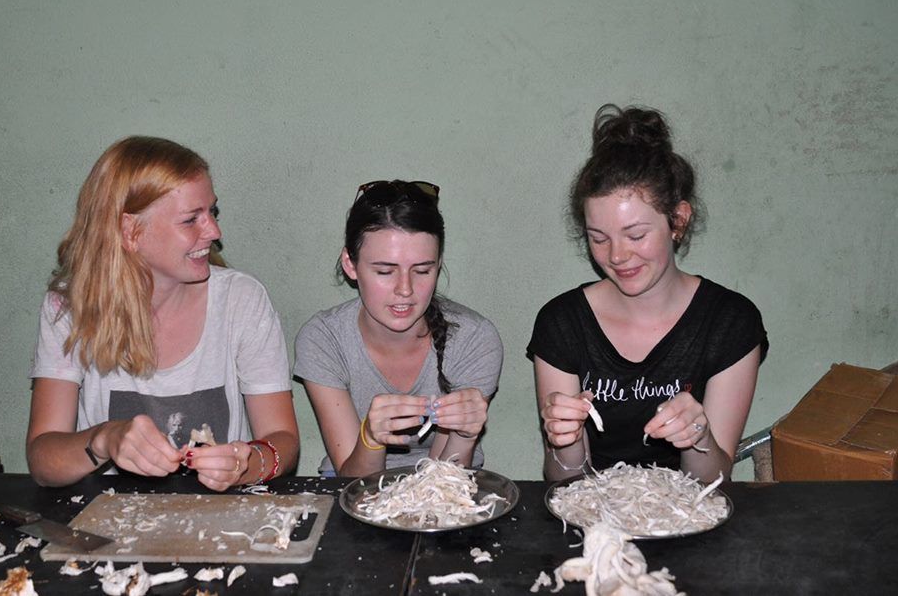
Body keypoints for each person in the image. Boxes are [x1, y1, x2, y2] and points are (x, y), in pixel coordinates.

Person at [26, 136, 299, 490]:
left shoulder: (240, 299)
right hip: (112, 521)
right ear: (130, 231)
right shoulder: (69, 309)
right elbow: (43, 461)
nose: (214, 232)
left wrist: (247, 463)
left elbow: (283, 440)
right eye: (191, 220)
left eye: (212, 212)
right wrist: (105, 439)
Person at [529, 105, 768, 483]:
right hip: (595, 524)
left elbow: (712, 482)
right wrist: (565, 440)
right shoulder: (562, 323)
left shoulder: (730, 321)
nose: (618, 256)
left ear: (679, 220)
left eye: (636, 235)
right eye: (598, 238)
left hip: (690, 519)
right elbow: (564, 483)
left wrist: (698, 437)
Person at [294, 180, 503, 477]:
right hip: (353, 484)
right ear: (350, 265)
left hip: (446, 482)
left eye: (422, 270)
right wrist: (371, 439)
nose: (405, 289)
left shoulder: (473, 338)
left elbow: (444, 483)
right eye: (384, 271)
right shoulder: (324, 338)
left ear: (439, 265)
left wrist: (465, 434)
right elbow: (352, 482)